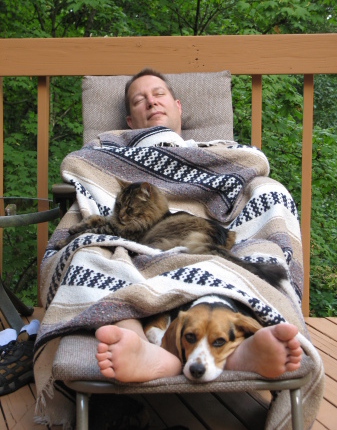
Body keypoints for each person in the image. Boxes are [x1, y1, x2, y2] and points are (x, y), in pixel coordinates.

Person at [95, 68, 303, 383]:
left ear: (178, 106)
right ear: (129, 121)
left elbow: (253, 165)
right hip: (142, 243)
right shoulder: (111, 151)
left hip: (219, 229)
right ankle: (139, 345)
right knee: (91, 255)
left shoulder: (219, 150)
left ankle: (243, 348)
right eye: (140, 100)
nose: (151, 102)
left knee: (271, 197)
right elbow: (86, 178)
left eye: (158, 94)